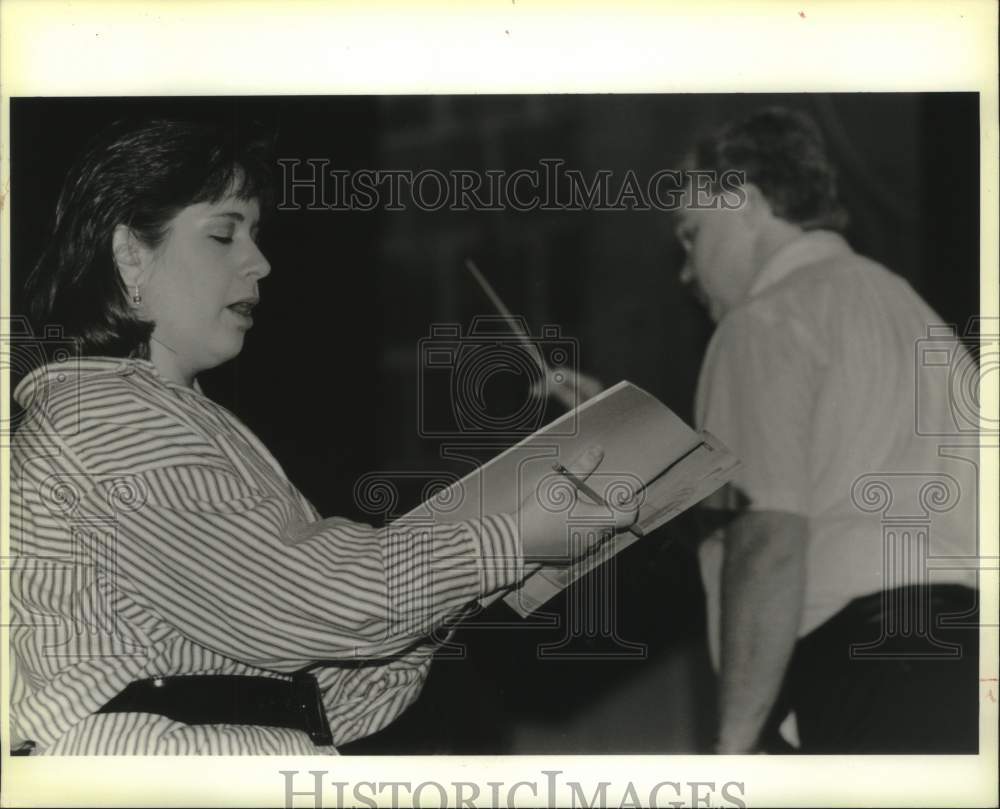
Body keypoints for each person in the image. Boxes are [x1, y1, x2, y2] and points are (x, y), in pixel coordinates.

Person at [9, 118, 637, 755]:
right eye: (224, 234)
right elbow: (306, 602)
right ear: (130, 254)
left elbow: (338, 678)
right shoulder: (109, 416)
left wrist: (522, 514)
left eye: (255, 234)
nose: (259, 261)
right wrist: (510, 537)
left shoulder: (160, 414)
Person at [676, 107, 980, 753]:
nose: (685, 270)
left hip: (860, 669)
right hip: (968, 665)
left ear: (745, 203)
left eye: (689, 233)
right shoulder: (914, 313)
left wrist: (733, 746)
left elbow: (769, 539)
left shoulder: (761, 322)